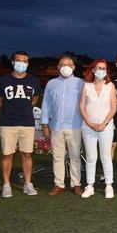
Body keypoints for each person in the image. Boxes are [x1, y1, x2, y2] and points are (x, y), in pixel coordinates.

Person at [0, 51, 42, 198]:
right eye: (19, 60)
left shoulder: (33, 80)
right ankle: (6, 185)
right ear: (13, 62)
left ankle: (28, 183)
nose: (22, 63)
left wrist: (25, 109)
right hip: (8, 122)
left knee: (27, 154)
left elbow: (35, 98)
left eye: (25, 61)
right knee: (7, 154)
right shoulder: (3, 80)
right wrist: (10, 110)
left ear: (28, 64)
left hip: (27, 122)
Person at [40, 55, 83, 196]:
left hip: (75, 125)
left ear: (74, 67)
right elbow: (45, 104)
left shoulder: (81, 83)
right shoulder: (51, 84)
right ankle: (59, 184)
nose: (66, 67)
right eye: (62, 65)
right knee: (58, 157)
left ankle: (76, 184)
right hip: (56, 126)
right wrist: (45, 125)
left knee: (75, 156)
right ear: (58, 67)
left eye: (69, 65)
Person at [79, 59, 117, 199]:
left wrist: (104, 124)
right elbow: (82, 107)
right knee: (91, 157)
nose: (101, 70)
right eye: (98, 68)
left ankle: (109, 185)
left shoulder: (110, 86)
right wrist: (89, 123)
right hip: (88, 127)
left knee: (106, 156)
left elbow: (113, 108)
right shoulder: (86, 86)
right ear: (93, 70)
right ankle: (90, 185)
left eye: (104, 68)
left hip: (106, 127)